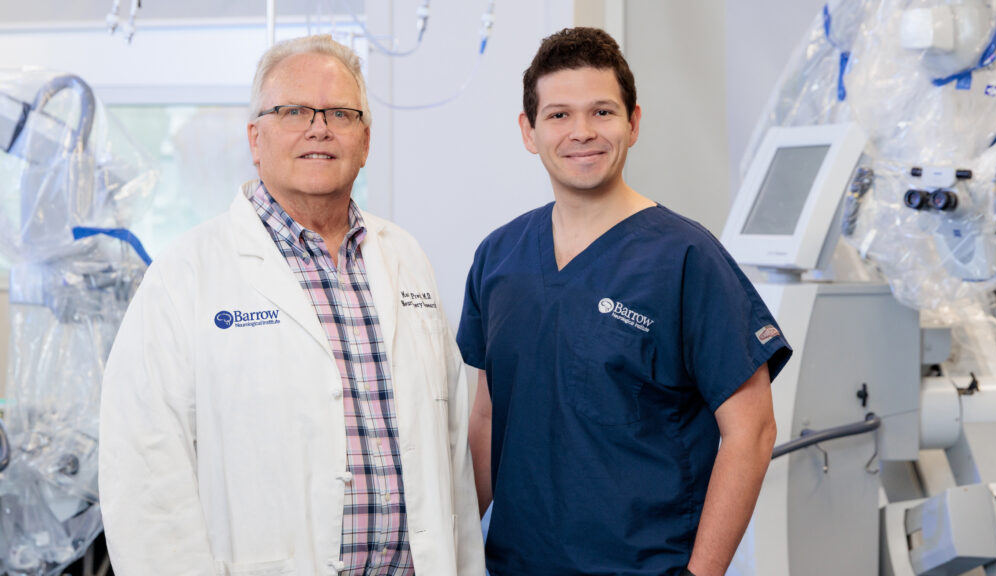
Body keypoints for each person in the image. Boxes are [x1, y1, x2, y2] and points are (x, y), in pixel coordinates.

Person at [98, 35, 484, 576]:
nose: (319, 127)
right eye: (293, 110)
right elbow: (142, 473)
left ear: (366, 140)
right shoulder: (185, 274)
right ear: (255, 138)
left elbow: (450, 460)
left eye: (341, 114)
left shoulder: (406, 259)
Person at [457, 27, 792, 576]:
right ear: (529, 130)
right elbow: (488, 415)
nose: (582, 132)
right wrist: (452, 548)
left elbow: (752, 430)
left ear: (633, 123)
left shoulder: (686, 257)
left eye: (603, 112)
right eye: (559, 115)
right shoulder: (499, 257)